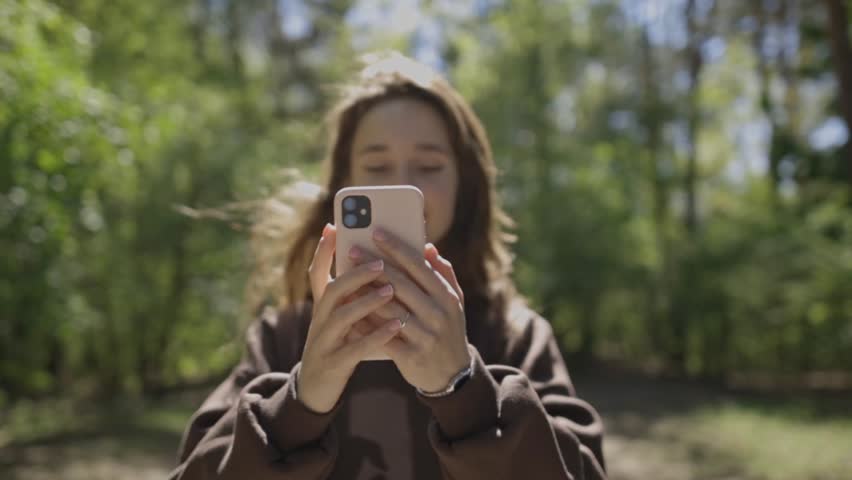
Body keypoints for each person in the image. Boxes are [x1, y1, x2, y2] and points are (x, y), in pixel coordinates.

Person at [170, 51, 607, 480]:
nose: (403, 182)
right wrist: (299, 405)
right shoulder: (284, 339)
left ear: (465, 186)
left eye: (430, 165)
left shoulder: (514, 335)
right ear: (344, 186)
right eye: (377, 165)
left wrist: (464, 391)